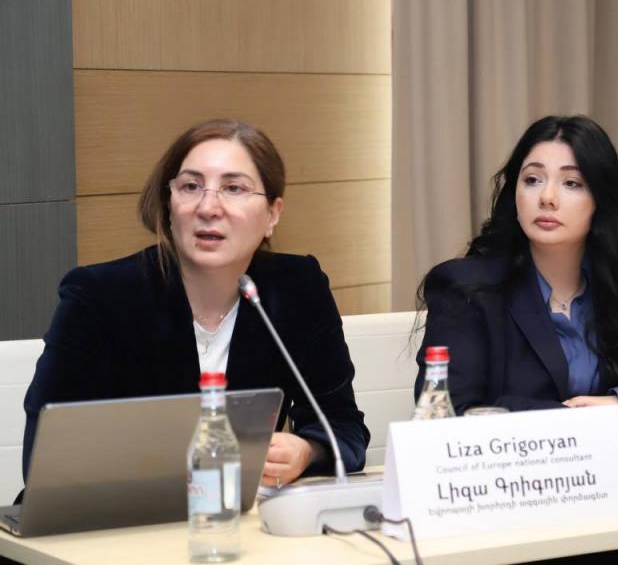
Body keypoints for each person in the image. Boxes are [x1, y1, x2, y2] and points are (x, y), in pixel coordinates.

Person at [22, 119, 369, 492]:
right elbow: (45, 455)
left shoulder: (297, 287)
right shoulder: (100, 296)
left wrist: (307, 450)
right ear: (169, 206)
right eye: (190, 186)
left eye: (234, 188)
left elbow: (344, 428)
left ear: (272, 213)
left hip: (237, 517)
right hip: (111, 516)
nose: (208, 207)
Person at [415, 115, 618, 443]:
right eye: (532, 179)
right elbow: (449, 414)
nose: (547, 197)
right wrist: (584, 425)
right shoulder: (466, 289)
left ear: (600, 200)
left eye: (571, 183)